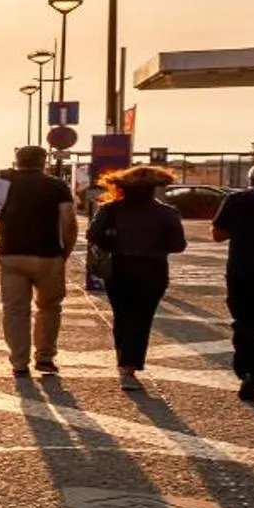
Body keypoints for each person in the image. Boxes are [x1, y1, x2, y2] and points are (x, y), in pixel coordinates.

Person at [0, 146, 77, 379]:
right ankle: (44, 358)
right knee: (49, 308)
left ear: (17, 161)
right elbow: (69, 223)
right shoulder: (56, 186)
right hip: (48, 255)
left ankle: (19, 362)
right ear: (44, 162)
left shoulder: (2, 180)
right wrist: (65, 254)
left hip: (12, 255)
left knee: (14, 310)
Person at [89, 164, 187, 390]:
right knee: (142, 318)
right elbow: (178, 245)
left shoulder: (110, 210)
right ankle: (129, 366)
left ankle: (124, 364)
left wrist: (114, 240)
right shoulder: (167, 213)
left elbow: (93, 235)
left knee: (122, 316)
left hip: (119, 267)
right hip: (153, 269)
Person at [211, 162, 254, 402]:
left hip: (244, 274)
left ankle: (249, 374)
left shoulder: (237, 200)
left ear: (252, 180)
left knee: (245, 324)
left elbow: (218, 235)